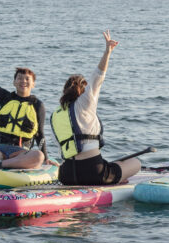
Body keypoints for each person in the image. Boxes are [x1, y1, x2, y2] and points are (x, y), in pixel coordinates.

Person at [51, 30, 141, 185]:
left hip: (66, 175)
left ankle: (114, 176)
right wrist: (108, 52)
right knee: (136, 163)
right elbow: (98, 75)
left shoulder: (56, 115)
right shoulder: (85, 102)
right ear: (82, 90)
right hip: (93, 172)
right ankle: (116, 180)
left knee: (111, 164)